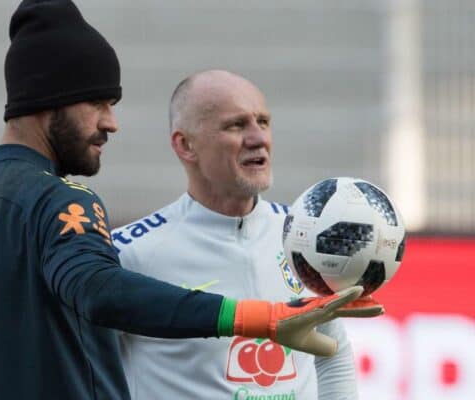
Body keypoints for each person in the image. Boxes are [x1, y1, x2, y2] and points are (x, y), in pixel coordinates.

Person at [0, 2, 381, 400]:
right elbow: (100, 290)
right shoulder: (62, 201)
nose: (111, 123)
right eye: (99, 103)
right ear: (50, 101)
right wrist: (262, 319)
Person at [113, 70, 366, 399]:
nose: (258, 138)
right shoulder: (130, 254)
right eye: (237, 125)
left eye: (263, 122)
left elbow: (332, 355)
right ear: (185, 145)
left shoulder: (305, 237)